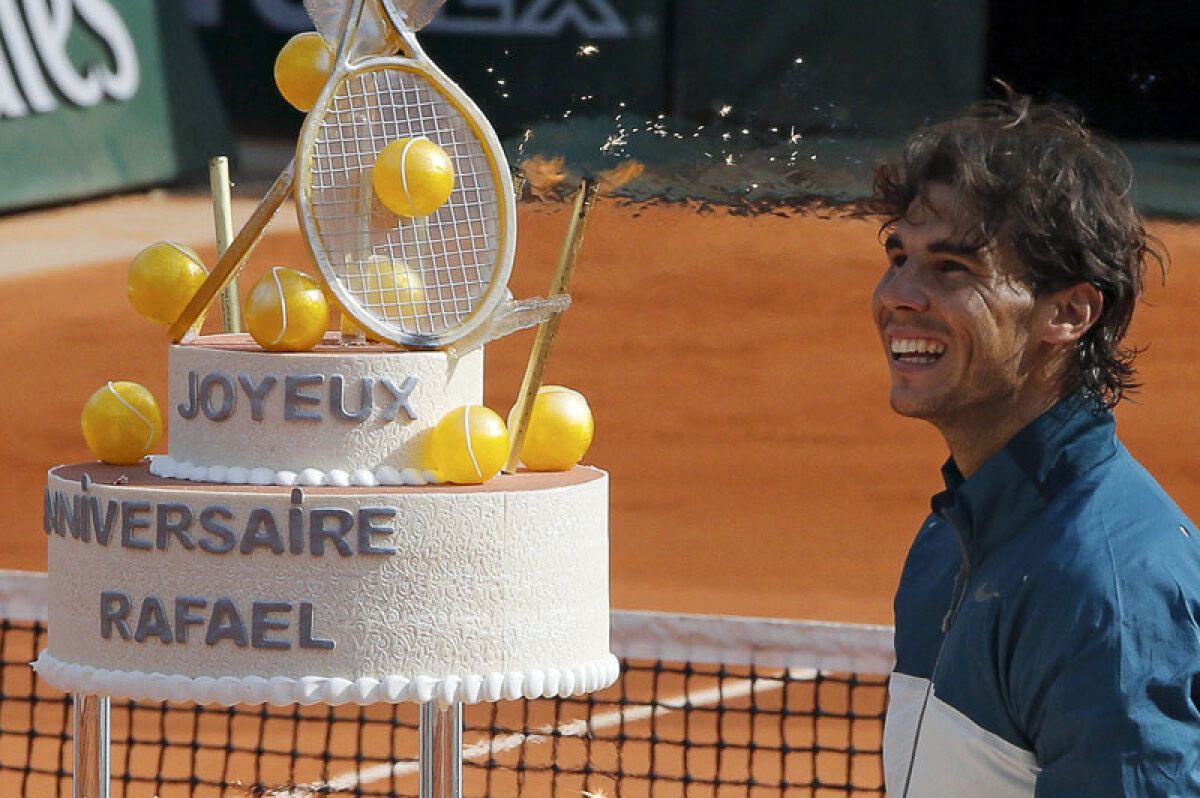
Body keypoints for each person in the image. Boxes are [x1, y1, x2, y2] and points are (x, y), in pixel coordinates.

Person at [872, 87, 1200, 796]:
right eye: (901, 255)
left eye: (952, 268)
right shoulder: (948, 537)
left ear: (1069, 312)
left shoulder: (1106, 592)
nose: (900, 291)